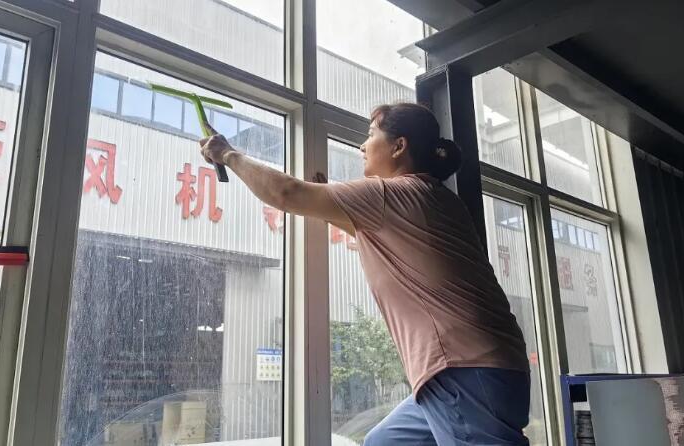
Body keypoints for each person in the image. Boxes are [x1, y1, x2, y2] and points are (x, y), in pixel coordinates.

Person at [200, 103, 530, 445]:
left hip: (463, 368)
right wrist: (327, 207)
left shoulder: (392, 194)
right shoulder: (436, 198)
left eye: (371, 135)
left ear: (399, 146)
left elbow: (287, 193)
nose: (362, 145)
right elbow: (371, 233)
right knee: (383, 442)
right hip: (485, 364)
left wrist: (228, 155)